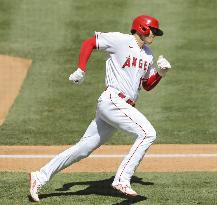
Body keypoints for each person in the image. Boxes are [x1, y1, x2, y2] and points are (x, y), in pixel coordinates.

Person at [29, 15, 172, 202]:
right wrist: (81, 69)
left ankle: (40, 175)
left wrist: (160, 73)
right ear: (142, 28)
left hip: (121, 106)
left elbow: (146, 85)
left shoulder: (148, 53)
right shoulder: (120, 40)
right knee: (148, 133)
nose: (155, 34)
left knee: (83, 148)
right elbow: (90, 43)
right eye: (153, 31)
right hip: (113, 100)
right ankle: (122, 179)